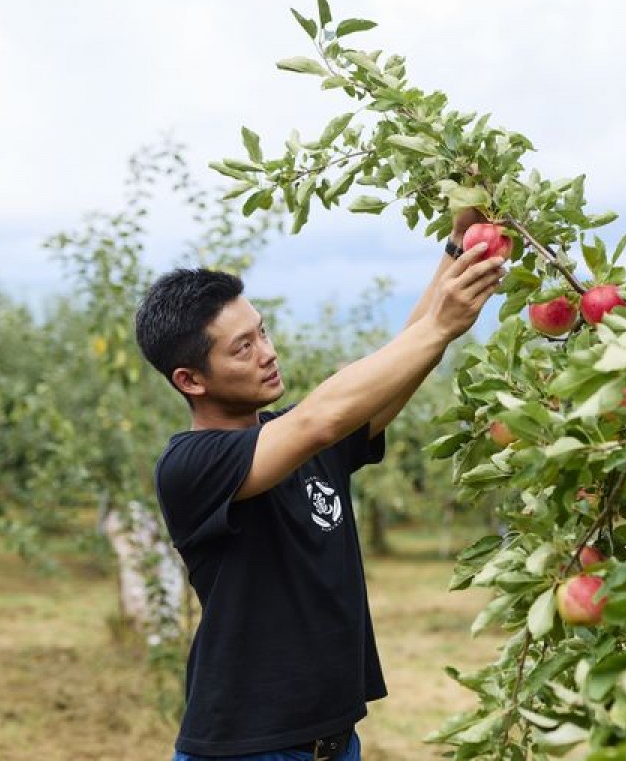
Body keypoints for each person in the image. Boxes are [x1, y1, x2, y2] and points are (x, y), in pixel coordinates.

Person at [133, 211, 505, 761]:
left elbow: (387, 374)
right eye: (242, 348)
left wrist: (455, 250)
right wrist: (440, 326)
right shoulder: (192, 466)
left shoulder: (302, 441)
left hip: (331, 740)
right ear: (190, 380)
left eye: (262, 330)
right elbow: (318, 420)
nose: (267, 351)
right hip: (246, 748)